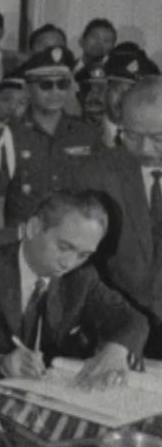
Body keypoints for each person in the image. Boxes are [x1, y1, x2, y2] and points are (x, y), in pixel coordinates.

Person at [0, 191, 147, 388]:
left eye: (84, 255)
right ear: (33, 228)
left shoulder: (81, 277)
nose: (69, 263)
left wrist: (117, 349)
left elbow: (133, 319)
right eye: (65, 247)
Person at [73, 77, 162, 358]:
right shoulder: (95, 174)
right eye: (132, 135)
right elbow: (81, 261)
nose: (145, 149)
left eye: (159, 137)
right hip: (116, 332)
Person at [0, 46, 97, 228]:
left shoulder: (86, 134)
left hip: (74, 239)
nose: (55, 92)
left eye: (62, 84)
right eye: (46, 85)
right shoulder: (7, 135)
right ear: (28, 89)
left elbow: (97, 197)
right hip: (24, 241)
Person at [97, 50, 160, 149]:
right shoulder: (81, 134)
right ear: (105, 90)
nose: (124, 98)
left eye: (134, 92)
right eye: (118, 89)